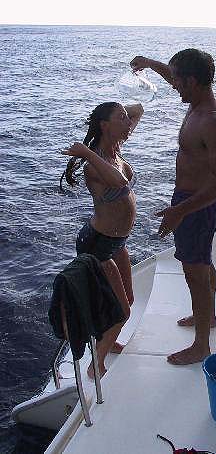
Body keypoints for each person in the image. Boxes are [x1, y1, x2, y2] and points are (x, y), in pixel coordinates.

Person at [130, 49, 216, 365]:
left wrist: (181, 210)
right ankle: (210, 317)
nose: (172, 84)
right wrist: (150, 64)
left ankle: (201, 345)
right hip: (192, 203)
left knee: (194, 272)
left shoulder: (213, 121)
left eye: (177, 80)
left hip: (196, 206)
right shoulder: (197, 104)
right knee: (202, 261)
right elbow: (171, 75)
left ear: (191, 81)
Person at [61, 101, 144, 377]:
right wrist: (85, 151)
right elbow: (120, 182)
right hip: (99, 245)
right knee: (121, 309)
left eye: (125, 118)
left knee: (128, 299)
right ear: (105, 126)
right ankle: (96, 365)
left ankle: (106, 340)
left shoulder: (115, 150)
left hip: (117, 241)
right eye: (121, 119)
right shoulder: (94, 165)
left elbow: (138, 108)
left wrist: (141, 73)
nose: (128, 123)